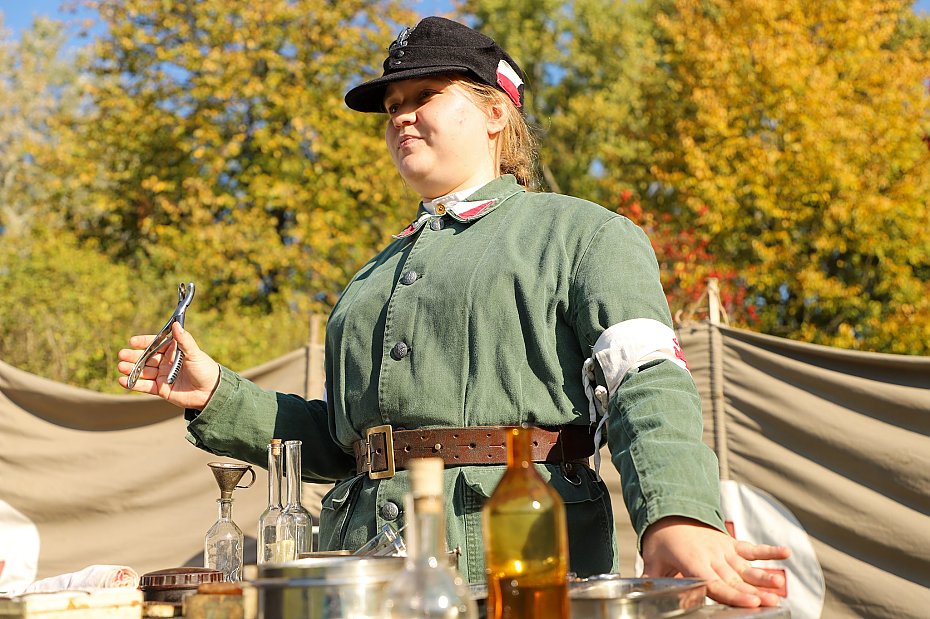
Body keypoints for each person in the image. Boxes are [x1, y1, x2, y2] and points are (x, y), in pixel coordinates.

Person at [118, 16, 789, 607]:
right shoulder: (369, 278)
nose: (401, 116)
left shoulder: (586, 236)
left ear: (497, 111)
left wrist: (676, 514)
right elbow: (344, 444)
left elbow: (646, 381)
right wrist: (214, 393)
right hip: (359, 575)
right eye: (392, 107)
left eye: (423, 97)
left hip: (511, 569)